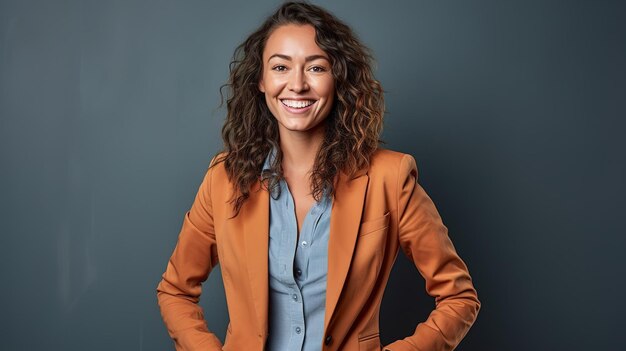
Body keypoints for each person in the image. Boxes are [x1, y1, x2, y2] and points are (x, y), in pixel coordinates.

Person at [156, 2, 480, 350]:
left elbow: (459, 298)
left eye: (316, 67)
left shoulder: (391, 178)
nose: (297, 84)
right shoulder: (224, 178)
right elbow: (175, 291)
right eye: (281, 67)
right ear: (261, 81)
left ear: (337, 78)